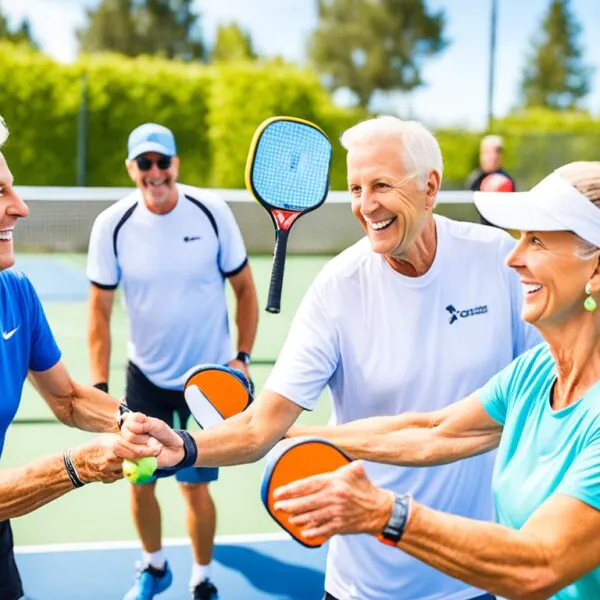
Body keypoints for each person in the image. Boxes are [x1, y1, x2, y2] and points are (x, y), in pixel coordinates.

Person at [121, 116, 541, 600]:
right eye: (355, 188)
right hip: (363, 584)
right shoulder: (338, 287)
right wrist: (186, 446)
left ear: (430, 188)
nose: (366, 205)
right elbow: (263, 426)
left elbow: (525, 407)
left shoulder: (499, 260)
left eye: (381, 185)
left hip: (478, 577)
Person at [271, 161, 600, 600]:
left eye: (536, 241)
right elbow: (430, 431)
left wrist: (385, 513)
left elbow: (539, 564)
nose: (513, 258)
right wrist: (279, 435)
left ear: (595, 272)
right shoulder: (534, 373)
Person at [86, 122, 259, 600]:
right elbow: (98, 310)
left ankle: (202, 578)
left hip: (207, 384)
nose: (155, 172)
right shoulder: (112, 225)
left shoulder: (212, 212)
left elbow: (244, 289)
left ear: (176, 164)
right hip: (144, 379)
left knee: (194, 487)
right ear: (132, 169)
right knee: (140, 482)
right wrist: (100, 392)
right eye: (145, 163)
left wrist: (241, 359)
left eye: (163, 162)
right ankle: (154, 566)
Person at [0, 118, 157, 600]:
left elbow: (68, 399)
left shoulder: (15, 293)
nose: (20, 207)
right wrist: (78, 467)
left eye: (13, 188)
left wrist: (133, 423)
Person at [467, 135, 516, 226]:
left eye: (497, 151)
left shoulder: (507, 180)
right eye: (488, 152)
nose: (493, 156)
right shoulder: (474, 179)